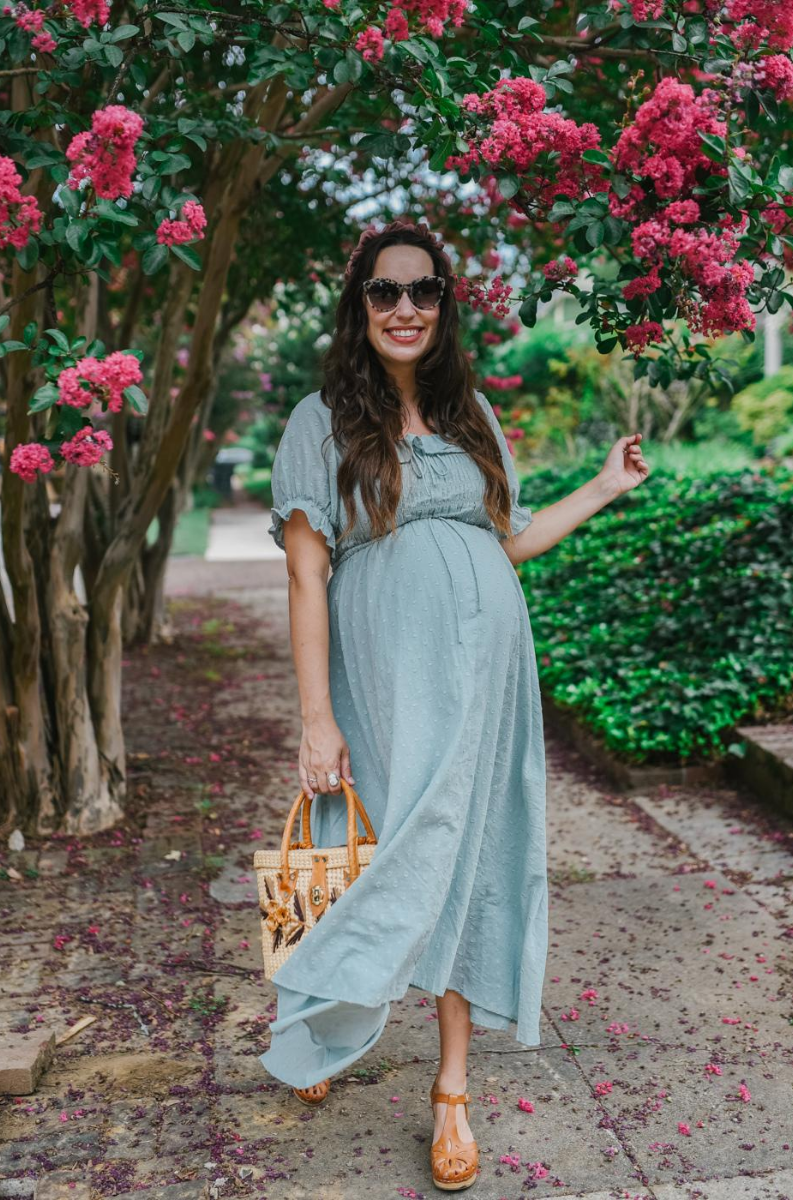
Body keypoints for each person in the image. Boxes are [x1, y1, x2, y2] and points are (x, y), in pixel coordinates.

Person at [259, 218, 649, 1191]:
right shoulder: (321, 421)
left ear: (444, 305)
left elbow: (502, 543)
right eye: (384, 292)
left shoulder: (469, 413)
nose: (404, 308)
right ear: (359, 306)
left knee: (472, 860)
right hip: (389, 667)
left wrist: (604, 487)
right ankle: (317, 1018)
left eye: (422, 291)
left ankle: (453, 1092)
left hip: (490, 676)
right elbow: (308, 577)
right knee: (376, 846)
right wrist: (317, 718)